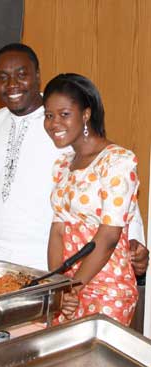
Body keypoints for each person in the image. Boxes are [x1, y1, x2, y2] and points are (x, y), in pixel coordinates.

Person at [0, 43, 148, 278]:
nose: (12, 84)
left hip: (46, 263)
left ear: (37, 75)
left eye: (21, 75)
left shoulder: (61, 123)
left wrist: (136, 240)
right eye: (2, 77)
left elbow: (115, 183)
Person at [44, 73, 140, 326]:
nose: (54, 123)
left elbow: (108, 237)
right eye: (49, 115)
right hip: (68, 291)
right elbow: (57, 230)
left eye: (64, 114)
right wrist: (58, 285)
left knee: (96, 366)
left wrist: (74, 286)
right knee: (59, 364)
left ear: (85, 114)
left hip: (107, 289)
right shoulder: (63, 164)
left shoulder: (118, 161)